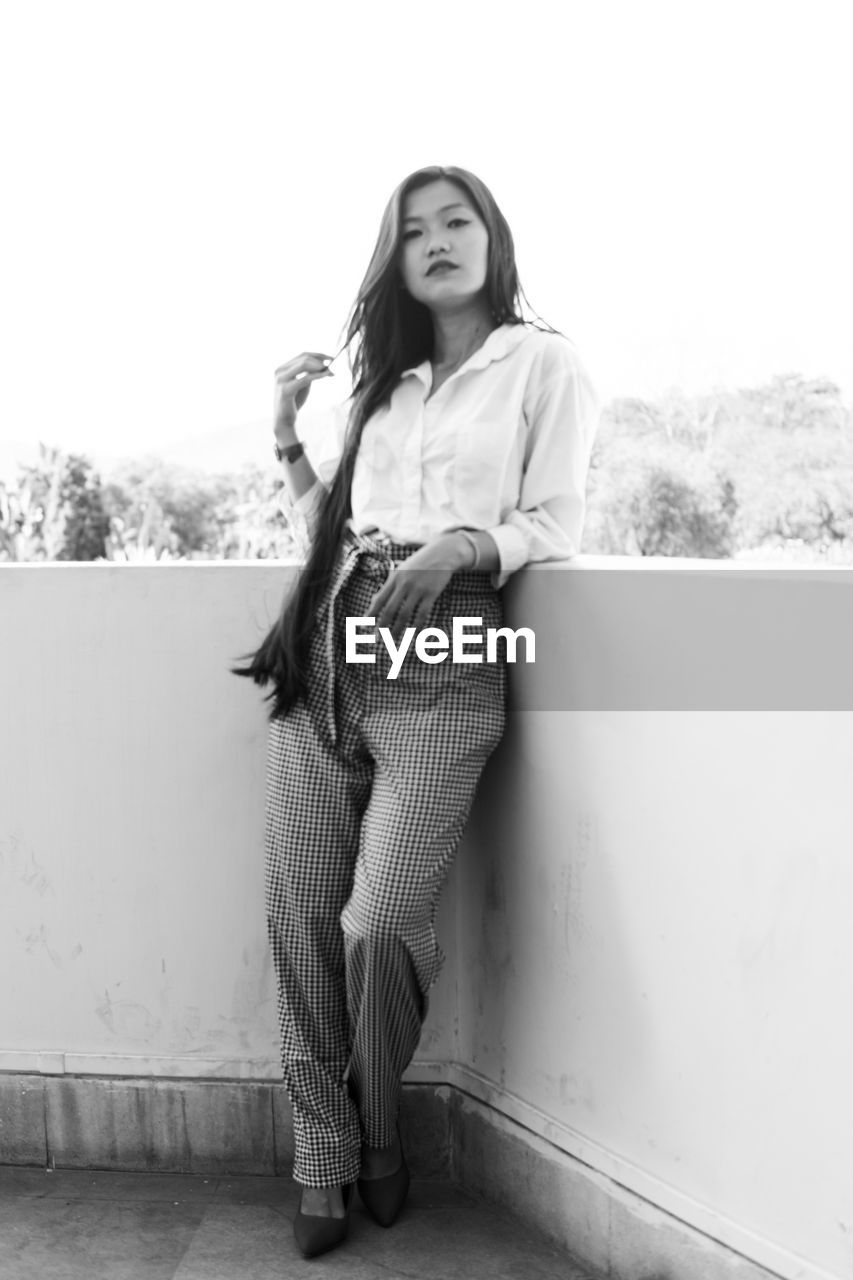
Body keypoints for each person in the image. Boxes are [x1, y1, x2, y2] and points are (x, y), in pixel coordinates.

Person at [232, 164, 599, 1258]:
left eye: (457, 220)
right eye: (413, 229)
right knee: (299, 915)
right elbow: (332, 527)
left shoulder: (544, 364)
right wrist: (288, 437)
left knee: (378, 919)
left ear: (494, 236)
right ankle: (322, 1152)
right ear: (391, 260)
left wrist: (465, 545)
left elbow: (558, 519)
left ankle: (378, 1120)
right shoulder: (382, 382)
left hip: (448, 654)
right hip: (332, 646)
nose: (437, 239)